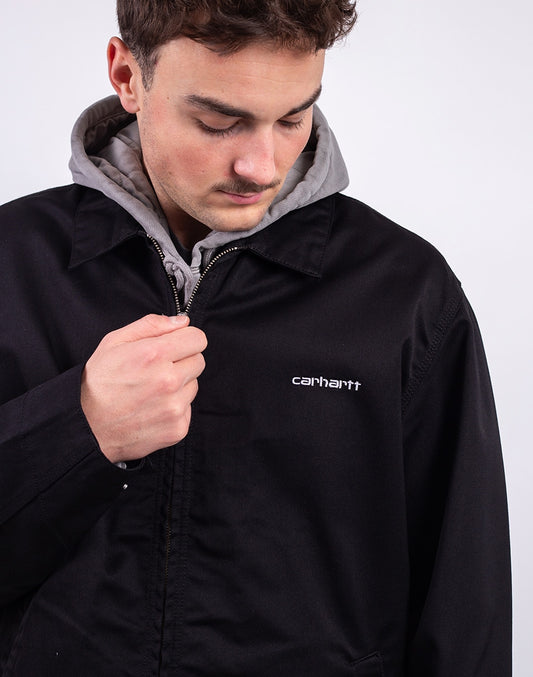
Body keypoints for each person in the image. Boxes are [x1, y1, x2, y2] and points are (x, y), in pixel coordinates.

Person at [0, 1, 511, 675]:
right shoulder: (12, 263)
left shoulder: (403, 289)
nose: (260, 167)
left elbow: (463, 596)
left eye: (294, 118)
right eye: (218, 122)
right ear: (127, 77)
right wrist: (77, 428)